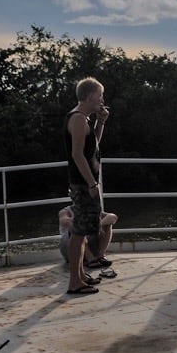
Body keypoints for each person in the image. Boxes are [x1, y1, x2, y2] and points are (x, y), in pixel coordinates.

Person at [65, 77, 113, 295]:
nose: (102, 100)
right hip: (84, 184)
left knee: (82, 232)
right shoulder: (77, 119)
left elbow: (92, 147)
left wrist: (100, 122)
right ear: (91, 95)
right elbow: (77, 155)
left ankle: (81, 274)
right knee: (78, 232)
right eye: (100, 95)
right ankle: (74, 281)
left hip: (86, 183)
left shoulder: (84, 119)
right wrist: (91, 183)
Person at [58, 205, 117, 277]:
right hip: (70, 249)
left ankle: (100, 256)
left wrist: (99, 224)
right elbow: (65, 221)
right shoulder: (65, 211)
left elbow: (113, 217)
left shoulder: (91, 210)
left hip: (90, 246)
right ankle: (90, 258)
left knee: (107, 224)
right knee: (76, 228)